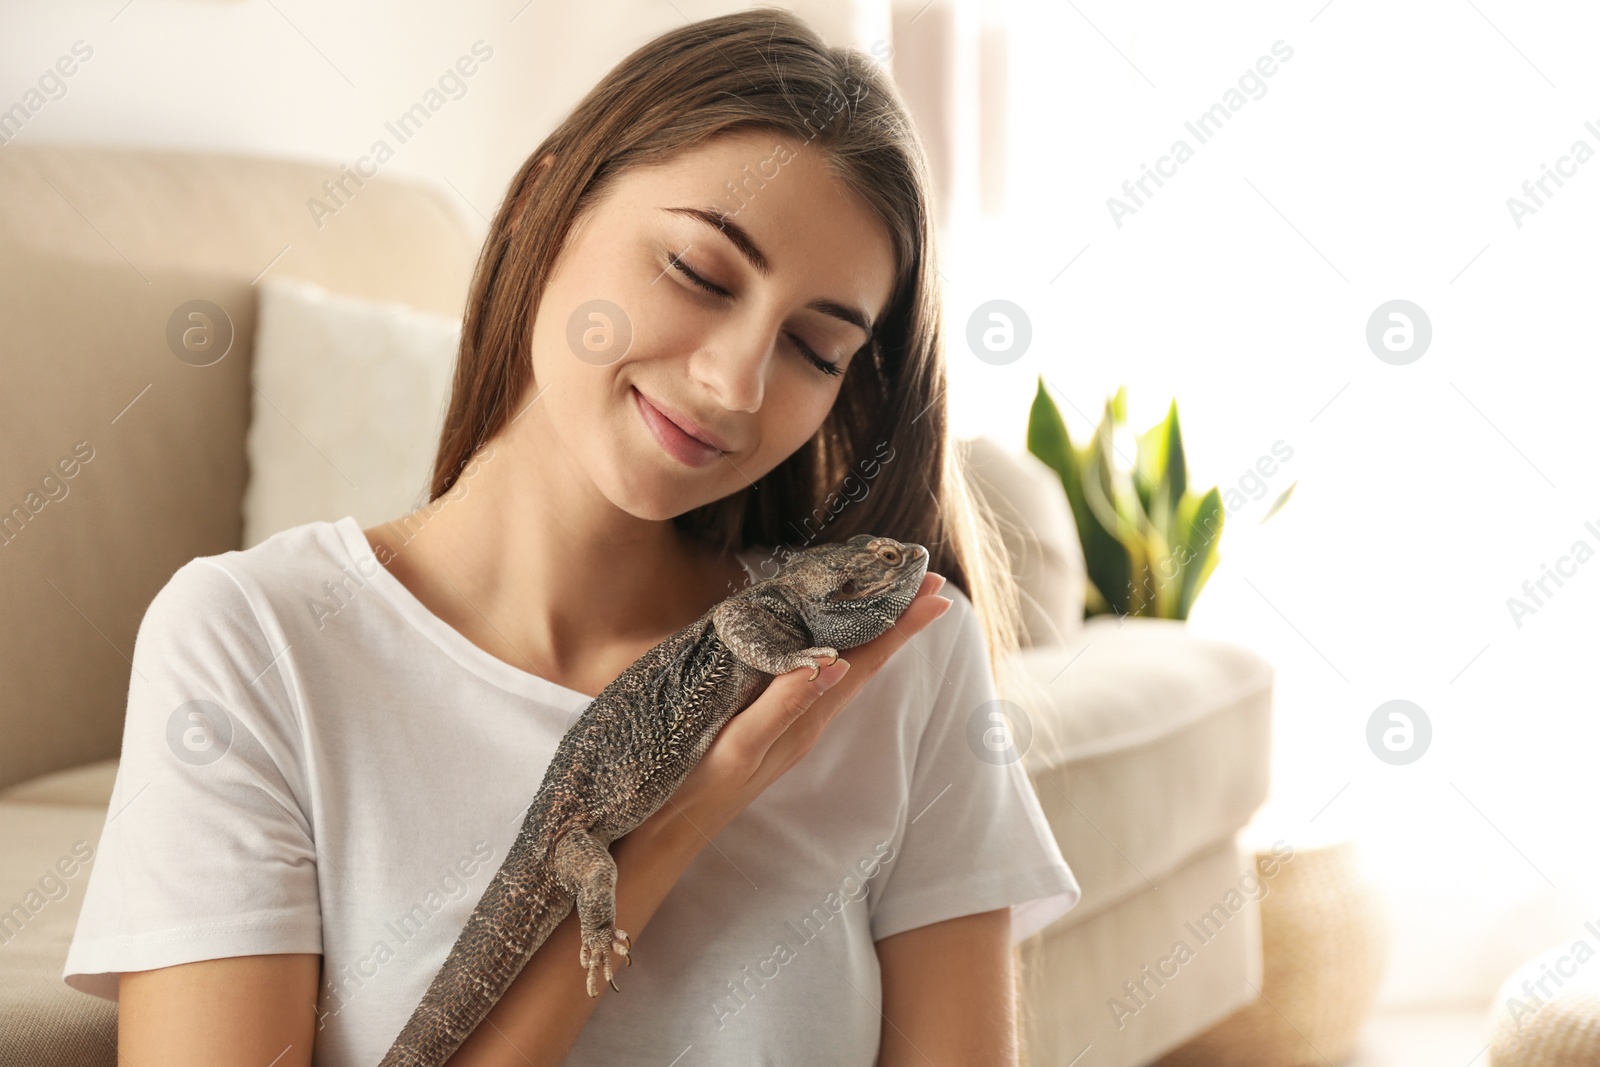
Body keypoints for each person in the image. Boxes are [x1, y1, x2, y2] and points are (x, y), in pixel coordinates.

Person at [63, 7, 1079, 1064]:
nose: (734, 383)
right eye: (697, 271)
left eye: (815, 349)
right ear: (549, 201)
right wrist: (679, 816)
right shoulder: (253, 642)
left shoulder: (902, 660)